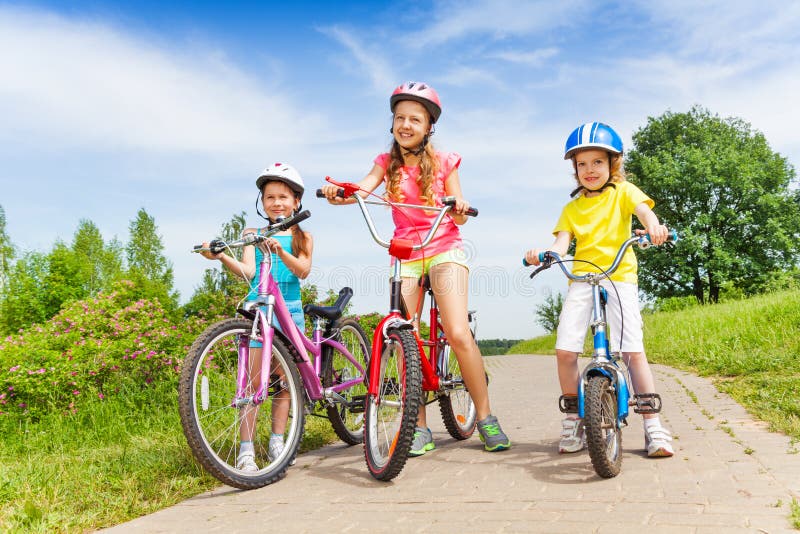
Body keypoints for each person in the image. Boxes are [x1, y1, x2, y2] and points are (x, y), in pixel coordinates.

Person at [321, 81, 511, 454]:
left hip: (443, 249)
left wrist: (458, 205)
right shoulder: (385, 163)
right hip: (406, 254)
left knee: (456, 332)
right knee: (405, 335)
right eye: (399, 118)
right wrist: (339, 192)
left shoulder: (444, 161)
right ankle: (418, 426)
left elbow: (461, 209)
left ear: (428, 127)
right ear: (392, 123)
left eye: (415, 119)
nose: (405, 124)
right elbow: (362, 189)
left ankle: (486, 416)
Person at [523, 122, 674, 458]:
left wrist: (654, 228)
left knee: (632, 351)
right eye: (581, 164)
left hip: (619, 276)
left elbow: (645, 213)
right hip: (582, 279)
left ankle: (653, 427)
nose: (589, 170)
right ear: (574, 169)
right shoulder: (572, 208)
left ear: (612, 164)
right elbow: (562, 243)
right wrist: (545, 254)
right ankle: (574, 418)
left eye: (597, 162)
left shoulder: (624, 192)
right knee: (565, 351)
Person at [200, 162, 313, 471]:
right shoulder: (253, 233)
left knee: (283, 380)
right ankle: (246, 449)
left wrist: (280, 251)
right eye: (269, 197)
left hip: (288, 310)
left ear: (296, 202)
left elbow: (302, 270)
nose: (276, 203)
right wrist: (222, 256)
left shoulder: (303, 237)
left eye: (283, 197)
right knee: (250, 383)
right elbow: (247, 272)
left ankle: (278, 440)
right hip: (259, 311)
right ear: (262, 203)